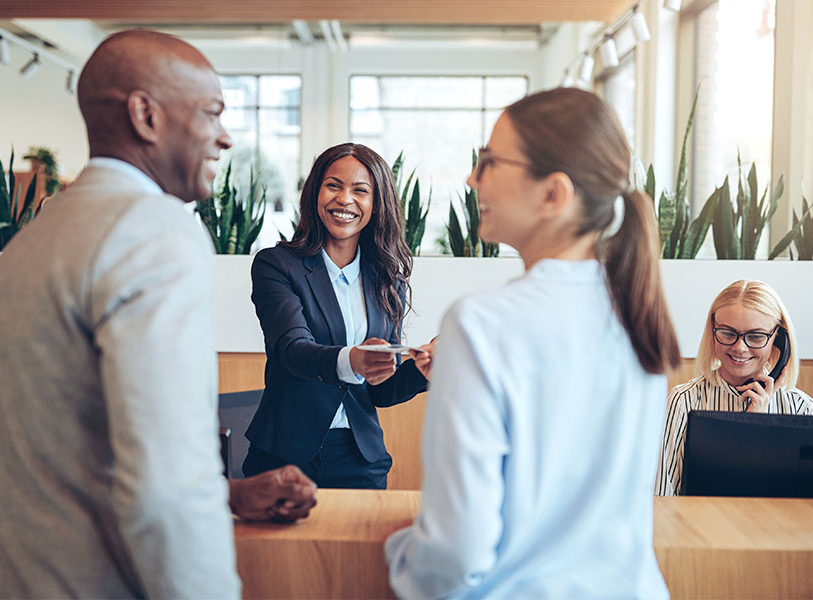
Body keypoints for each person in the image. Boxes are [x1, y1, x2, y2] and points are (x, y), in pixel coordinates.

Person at [0, 30, 316, 599]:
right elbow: (166, 487)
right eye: (211, 113)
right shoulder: (154, 231)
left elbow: (72, 452)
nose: (225, 137)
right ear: (145, 115)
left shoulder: (32, 240)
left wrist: (224, 491)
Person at [384, 88, 681, 598]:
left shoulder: (480, 324)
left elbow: (453, 555)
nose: (473, 178)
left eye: (490, 162)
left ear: (553, 195)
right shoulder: (640, 314)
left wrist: (401, 551)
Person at [243, 143, 433, 489]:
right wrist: (353, 360)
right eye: (333, 185)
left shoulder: (388, 281)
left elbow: (380, 390)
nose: (344, 199)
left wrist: (420, 372)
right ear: (315, 193)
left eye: (360, 190)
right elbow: (292, 349)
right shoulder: (277, 265)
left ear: (376, 205)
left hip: (361, 459)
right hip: (284, 458)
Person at [655, 279, 813, 496]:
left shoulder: (801, 408)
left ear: (779, 339)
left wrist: (760, 423)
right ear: (713, 332)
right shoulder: (683, 401)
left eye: (756, 336)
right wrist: (748, 426)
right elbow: (663, 496)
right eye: (728, 333)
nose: (740, 347)